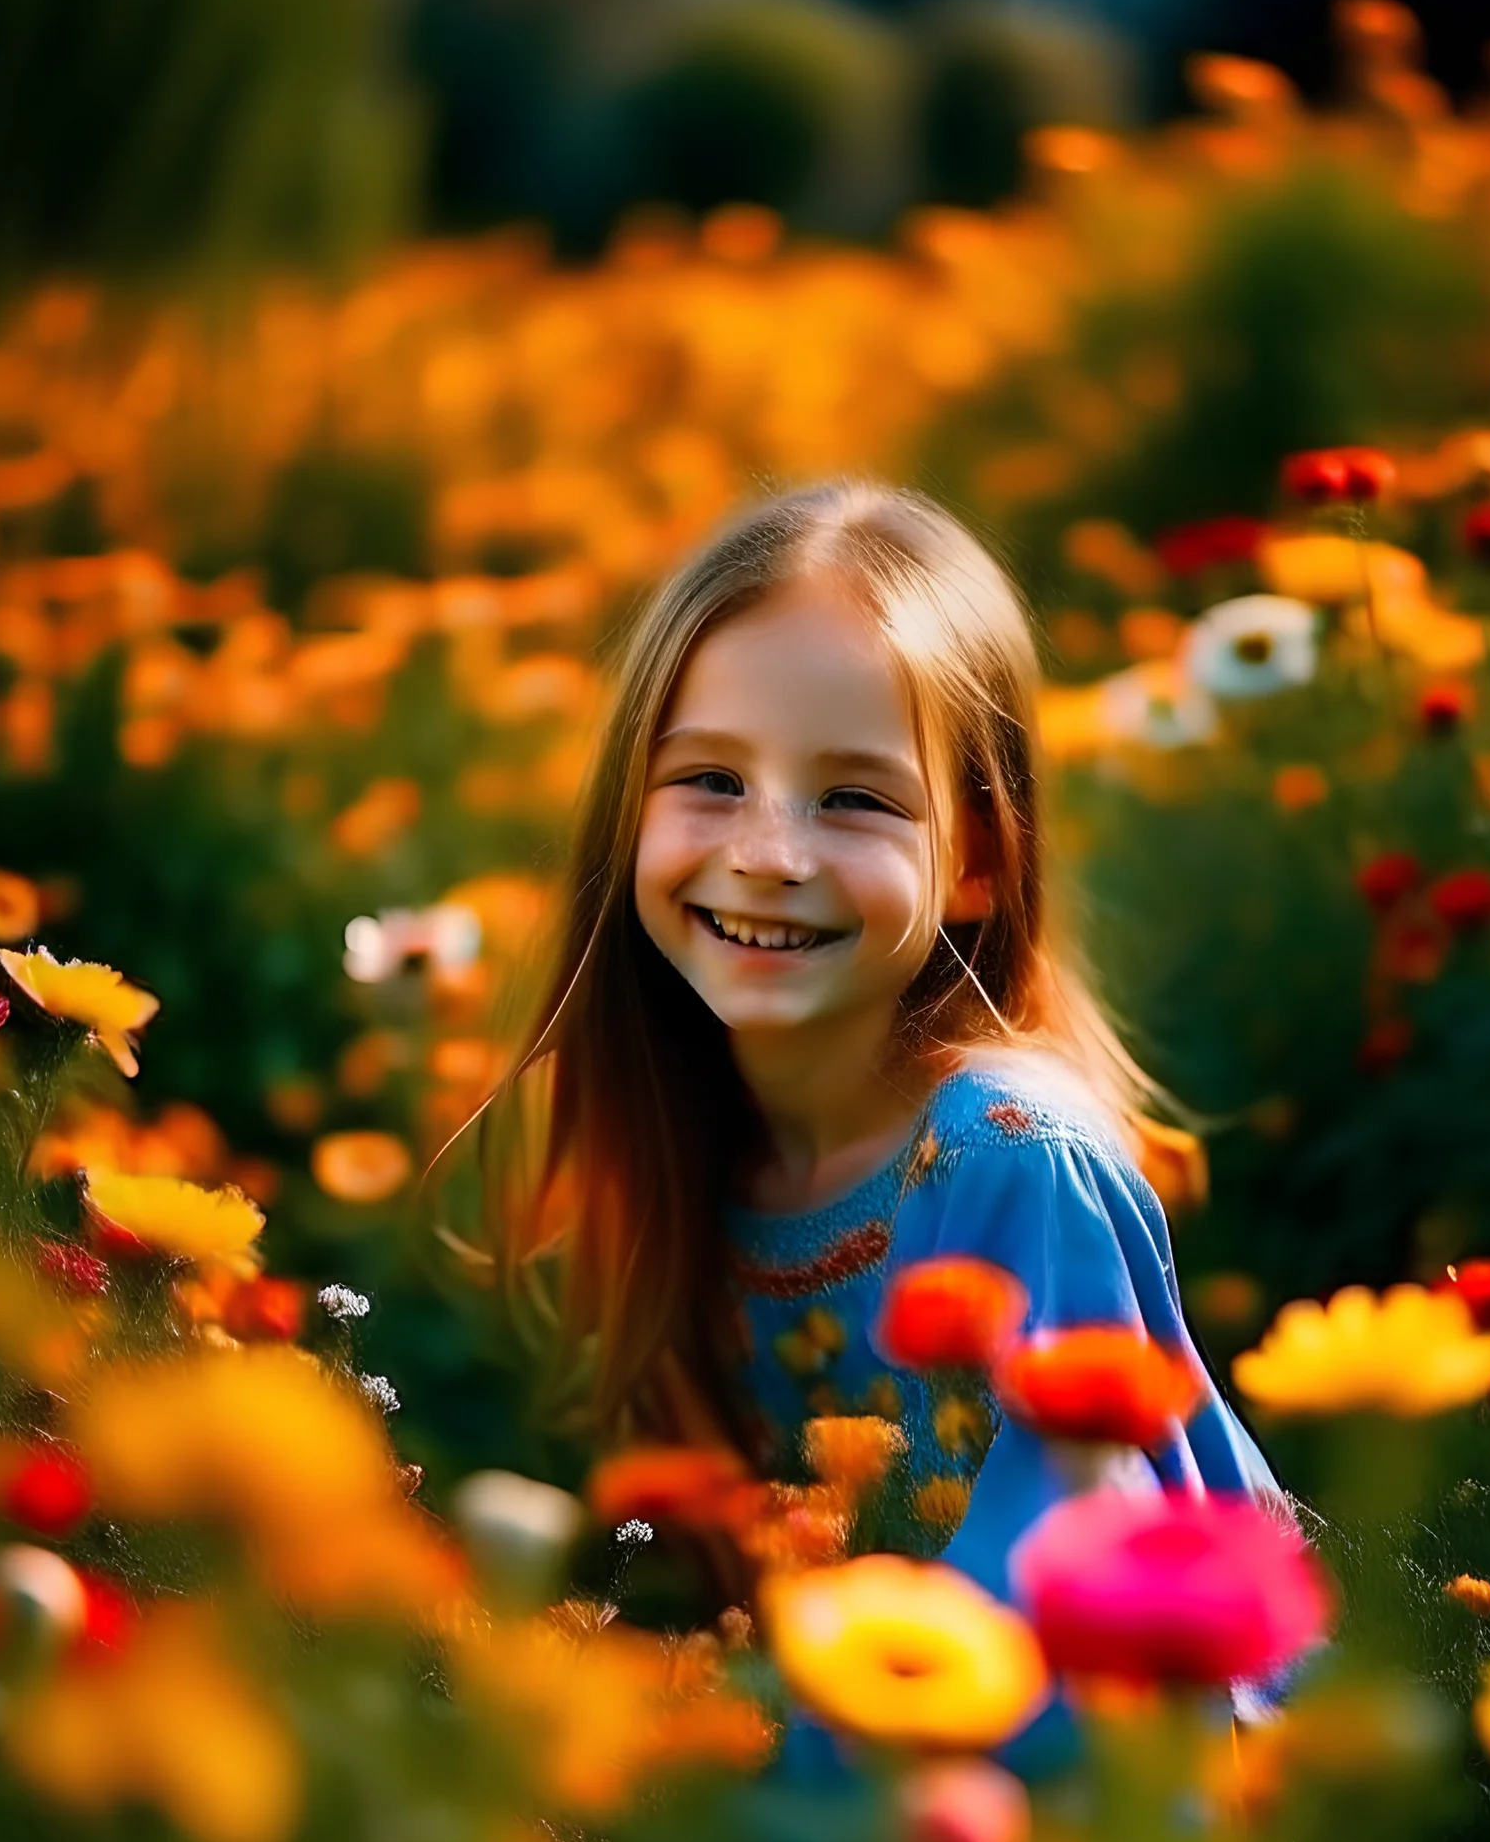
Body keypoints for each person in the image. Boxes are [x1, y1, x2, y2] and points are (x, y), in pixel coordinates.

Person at [484, 476, 1278, 1609]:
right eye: (712, 779)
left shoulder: (1007, 1158)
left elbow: (1062, 1613)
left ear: (978, 864)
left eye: (853, 799)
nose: (767, 853)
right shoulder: (693, 1134)